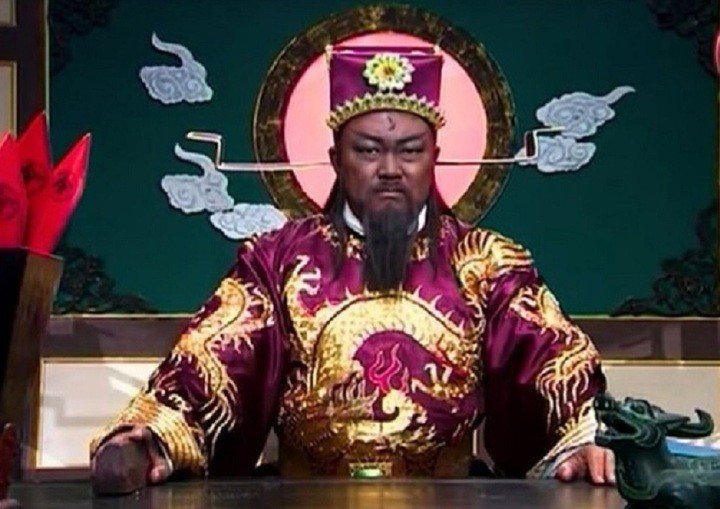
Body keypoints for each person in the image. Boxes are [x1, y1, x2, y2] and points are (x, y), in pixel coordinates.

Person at [90, 46, 613, 494]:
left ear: (434, 157)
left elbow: (551, 361)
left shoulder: (487, 262)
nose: (390, 169)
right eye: (368, 151)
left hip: (451, 499)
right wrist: (152, 436)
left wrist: (586, 439)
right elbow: (215, 359)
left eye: (410, 151)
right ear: (336, 158)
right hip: (303, 499)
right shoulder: (277, 260)